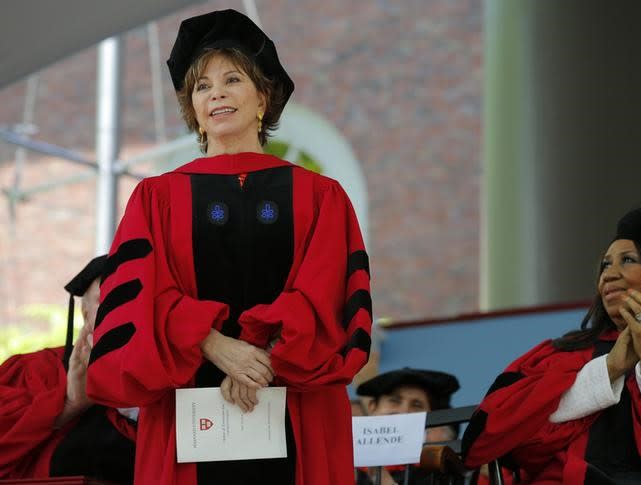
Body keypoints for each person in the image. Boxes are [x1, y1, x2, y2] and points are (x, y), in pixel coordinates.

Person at [85, 9, 372, 485]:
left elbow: (327, 292)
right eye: (201, 86)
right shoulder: (156, 198)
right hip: (188, 406)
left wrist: (256, 357)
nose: (215, 92)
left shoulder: (323, 197)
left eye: (232, 79)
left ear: (263, 97)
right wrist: (217, 346)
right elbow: (142, 296)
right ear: (193, 110)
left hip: (293, 397)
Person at [462, 208, 641, 484]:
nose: (609, 275)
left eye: (627, 260)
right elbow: (486, 439)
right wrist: (608, 370)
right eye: (605, 265)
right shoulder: (558, 354)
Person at [0, 256, 136, 481]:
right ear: (85, 313)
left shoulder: (180, 381)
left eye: (130, 300)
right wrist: (70, 405)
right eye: (107, 301)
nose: (120, 312)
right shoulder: (36, 370)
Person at [355, 368, 460, 485]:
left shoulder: (438, 471)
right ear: (372, 407)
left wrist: (382, 479)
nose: (404, 411)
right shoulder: (347, 463)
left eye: (417, 405)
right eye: (394, 401)